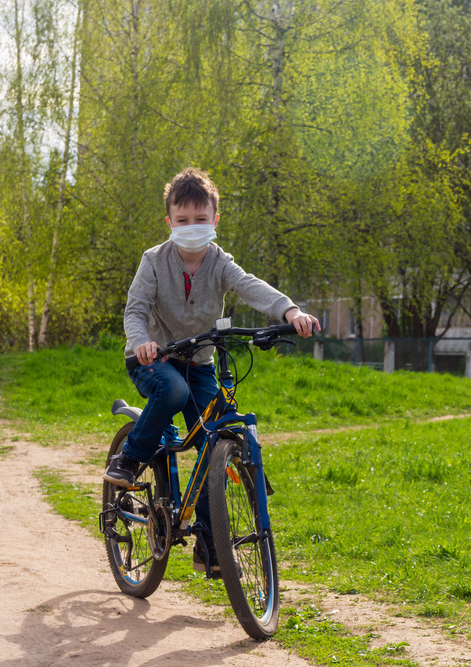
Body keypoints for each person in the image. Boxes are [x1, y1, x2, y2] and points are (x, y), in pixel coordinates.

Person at [104, 166, 320, 575]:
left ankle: (209, 542)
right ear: (169, 222)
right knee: (173, 393)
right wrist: (141, 342)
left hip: (200, 362)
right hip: (155, 359)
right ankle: (129, 459)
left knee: (213, 443)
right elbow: (135, 310)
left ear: (214, 220)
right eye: (182, 220)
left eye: (200, 220)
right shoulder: (154, 261)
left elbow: (250, 285)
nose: (191, 227)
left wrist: (289, 310)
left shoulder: (220, 262)